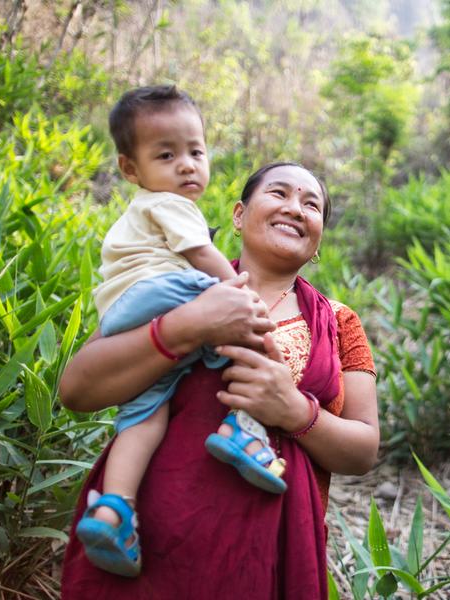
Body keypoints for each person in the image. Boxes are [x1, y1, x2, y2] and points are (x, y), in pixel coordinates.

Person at [59, 162, 379, 597]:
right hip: (155, 540)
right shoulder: (173, 288)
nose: (295, 209)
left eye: (311, 204)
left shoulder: (340, 323)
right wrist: (185, 327)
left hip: (273, 554)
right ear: (238, 215)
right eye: (279, 193)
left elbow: (362, 451)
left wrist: (296, 411)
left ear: (319, 238)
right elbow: (76, 388)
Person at [77, 86, 292, 577]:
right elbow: (202, 255)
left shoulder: (145, 210)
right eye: (167, 155)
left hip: (124, 310)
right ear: (131, 169)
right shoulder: (168, 204)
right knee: (243, 325)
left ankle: (113, 510)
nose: (187, 166)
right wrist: (239, 292)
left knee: (142, 413)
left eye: (196, 152)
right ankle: (244, 430)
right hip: (163, 290)